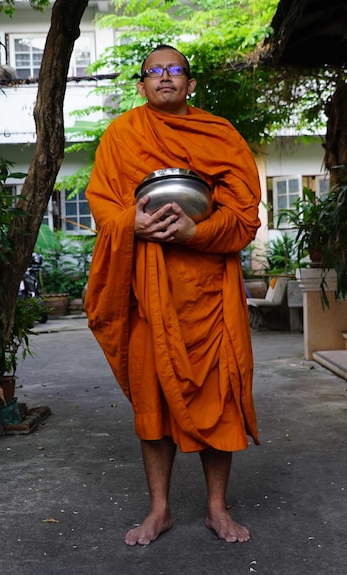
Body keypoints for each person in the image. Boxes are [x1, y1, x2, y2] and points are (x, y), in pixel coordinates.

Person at [84, 45, 261, 546]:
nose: (165, 77)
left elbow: (244, 215)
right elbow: (103, 206)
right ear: (141, 86)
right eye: (154, 72)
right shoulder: (122, 135)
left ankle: (216, 508)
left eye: (175, 70)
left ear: (191, 83)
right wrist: (130, 223)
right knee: (152, 401)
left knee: (219, 398)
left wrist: (194, 234)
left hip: (208, 293)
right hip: (148, 289)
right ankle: (159, 510)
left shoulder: (219, 135)